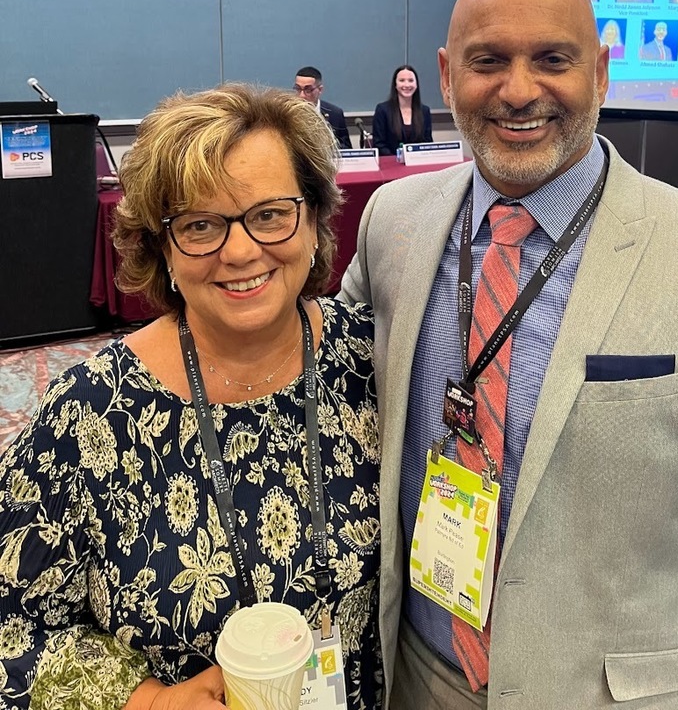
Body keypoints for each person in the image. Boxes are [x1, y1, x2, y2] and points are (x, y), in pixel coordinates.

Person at [340, 0, 678, 709]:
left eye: (552, 59)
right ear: (448, 76)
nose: (519, 91)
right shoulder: (393, 223)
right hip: (420, 679)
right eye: (489, 61)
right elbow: (316, 381)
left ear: (602, 73)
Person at [0, 84, 382, 710]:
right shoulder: (90, 411)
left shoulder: (372, 360)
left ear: (313, 219)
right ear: (162, 249)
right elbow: (13, 627)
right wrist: (148, 701)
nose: (239, 250)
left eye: (269, 214)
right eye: (200, 225)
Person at [372, 65, 433, 157]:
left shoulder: (424, 111)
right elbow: (379, 144)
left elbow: (427, 143)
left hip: (418, 163)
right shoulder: (382, 110)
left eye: (411, 80)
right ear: (395, 85)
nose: (407, 85)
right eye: (402, 80)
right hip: (391, 165)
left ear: (416, 85)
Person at [294, 65, 352, 148]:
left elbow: (346, 148)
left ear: (320, 90)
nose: (302, 95)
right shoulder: (287, 113)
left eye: (308, 90)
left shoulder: (334, 114)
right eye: (298, 89)